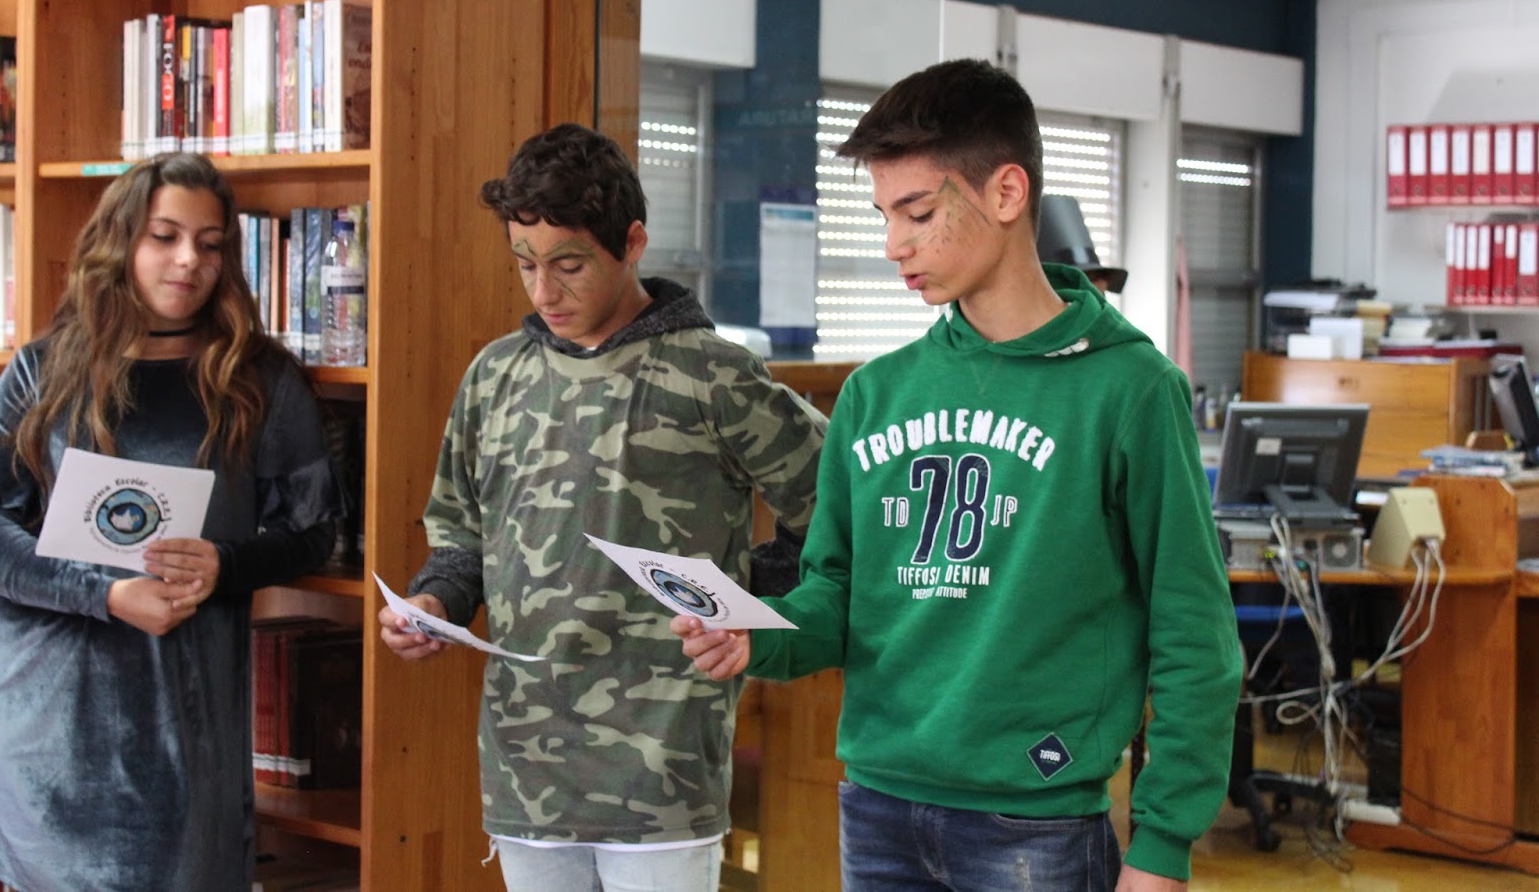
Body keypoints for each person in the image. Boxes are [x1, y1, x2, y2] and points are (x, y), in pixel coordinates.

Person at [676, 59, 1241, 892]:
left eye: (918, 213)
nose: (894, 245)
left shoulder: (1131, 391)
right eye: (884, 216)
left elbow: (1194, 634)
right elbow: (838, 595)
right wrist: (756, 633)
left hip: (1038, 820)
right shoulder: (875, 395)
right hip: (878, 808)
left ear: (1007, 193)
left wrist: (1164, 842)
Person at [377, 122, 826, 892]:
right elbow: (462, 536)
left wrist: (744, 599)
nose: (543, 292)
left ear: (633, 242)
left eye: (569, 265)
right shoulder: (495, 375)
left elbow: (833, 508)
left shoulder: (714, 375)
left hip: (664, 766)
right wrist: (431, 603)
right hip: (525, 764)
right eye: (526, 265)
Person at [0, 153, 343, 892]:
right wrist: (103, 593)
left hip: (182, 728)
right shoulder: (45, 369)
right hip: (44, 727)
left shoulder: (259, 379)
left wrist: (226, 564)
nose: (190, 259)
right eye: (165, 236)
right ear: (121, 241)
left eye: (210, 243)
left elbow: (314, 532)